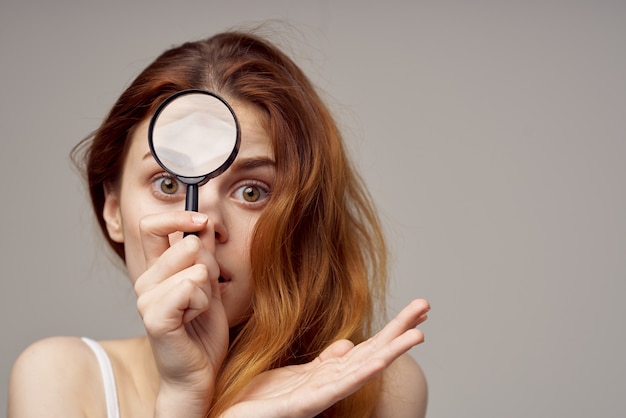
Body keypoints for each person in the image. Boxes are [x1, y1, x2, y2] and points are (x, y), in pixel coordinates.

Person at [8, 29, 430, 417]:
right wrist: (182, 400)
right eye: (169, 182)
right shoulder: (60, 380)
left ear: (303, 217)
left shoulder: (379, 387)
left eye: (252, 191)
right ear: (113, 211)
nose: (204, 225)